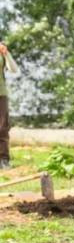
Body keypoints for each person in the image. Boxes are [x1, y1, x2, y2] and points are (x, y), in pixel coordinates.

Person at [0, 41, 19, 170]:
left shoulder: (1, 50)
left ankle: (3, 159)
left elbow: (13, 69)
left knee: (2, 127)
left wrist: (6, 53)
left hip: (1, 94)